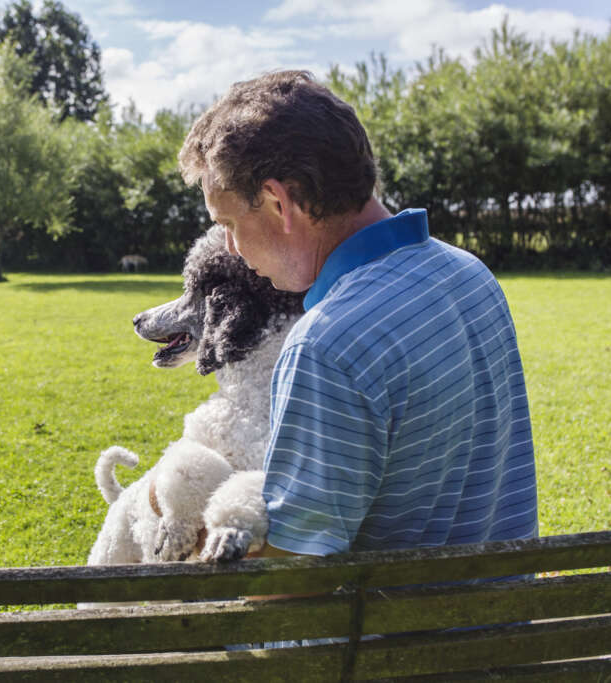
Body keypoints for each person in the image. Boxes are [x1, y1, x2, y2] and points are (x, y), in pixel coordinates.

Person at [177, 70, 538, 564]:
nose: (233, 249)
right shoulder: (469, 273)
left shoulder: (329, 344)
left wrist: (174, 517)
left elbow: (290, 583)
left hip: (386, 637)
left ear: (280, 202)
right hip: (502, 622)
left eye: (228, 224)